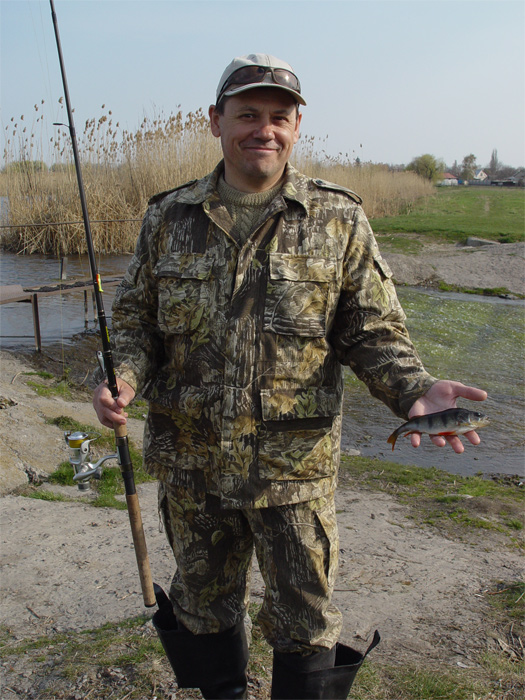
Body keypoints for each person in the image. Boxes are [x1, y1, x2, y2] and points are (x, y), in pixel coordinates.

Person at [93, 54, 487, 699]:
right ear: (216, 120)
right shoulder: (168, 217)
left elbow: (371, 331)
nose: (264, 129)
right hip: (192, 467)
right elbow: (136, 324)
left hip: (294, 472)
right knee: (201, 607)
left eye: (279, 116)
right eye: (248, 114)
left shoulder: (338, 217)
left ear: (297, 126)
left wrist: (415, 390)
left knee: (305, 623)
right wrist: (122, 379)